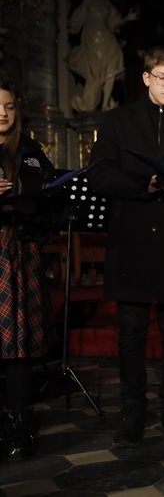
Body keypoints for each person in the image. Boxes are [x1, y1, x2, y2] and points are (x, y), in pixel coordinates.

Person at [85, 46, 164, 448]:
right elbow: (99, 174)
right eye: (163, 78)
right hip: (133, 237)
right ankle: (133, 411)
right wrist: (145, 186)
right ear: (146, 78)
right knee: (131, 332)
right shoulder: (118, 121)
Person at [0, 83, 57, 460]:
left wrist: (29, 207)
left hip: (18, 250)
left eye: (8, 107)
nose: (3, 113)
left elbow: (54, 205)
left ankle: (18, 421)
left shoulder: (34, 153)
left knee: (17, 344)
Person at [68, 0, 139, 112]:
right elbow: (77, 20)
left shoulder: (107, 3)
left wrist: (127, 19)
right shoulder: (88, 0)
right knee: (96, 72)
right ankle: (90, 102)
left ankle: (105, 104)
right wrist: (72, 26)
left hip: (107, 37)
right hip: (93, 37)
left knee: (112, 68)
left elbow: (114, 22)